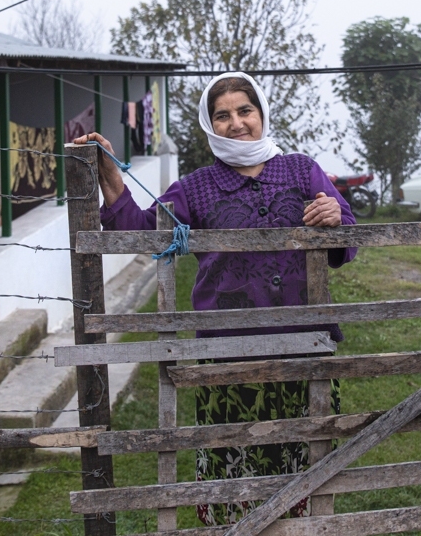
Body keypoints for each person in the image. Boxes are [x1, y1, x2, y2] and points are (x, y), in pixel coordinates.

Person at [74, 71, 356, 525]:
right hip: (227, 353)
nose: (236, 123)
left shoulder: (302, 169)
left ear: (261, 114)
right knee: (235, 464)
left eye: (245, 111)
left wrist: (335, 214)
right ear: (210, 126)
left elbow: (345, 235)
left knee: (304, 464)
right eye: (221, 115)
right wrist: (110, 173)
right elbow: (144, 233)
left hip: (304, 344)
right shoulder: (196, 187)